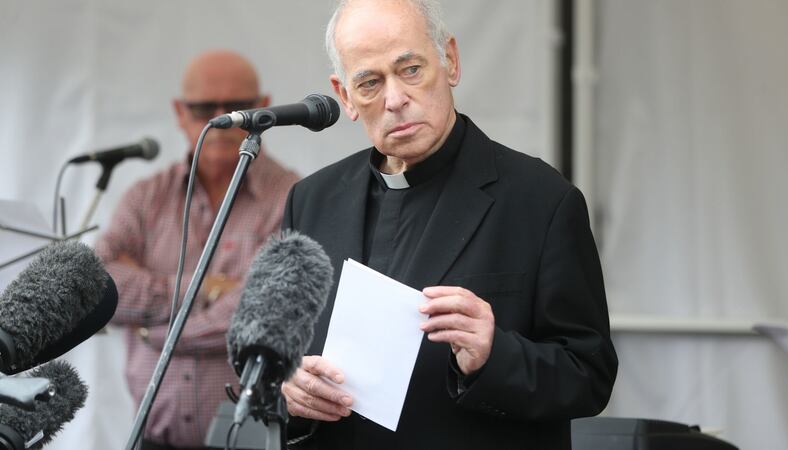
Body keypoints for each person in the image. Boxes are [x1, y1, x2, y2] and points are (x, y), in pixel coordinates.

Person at [279, 0, 618, 449]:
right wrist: (289, 386)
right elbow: (274, 355)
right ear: (345, 97)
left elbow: (589, 375)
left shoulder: (540, 200)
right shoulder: (312, 200)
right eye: (370, 83)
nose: (395, 99)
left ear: (450, 61)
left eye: (411, 70)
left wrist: (494, 354)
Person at [95, 50, 299, 450]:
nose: (223, 118)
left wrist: (150, 330)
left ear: (264, 108)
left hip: (250, 439)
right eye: (206, 107)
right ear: (180, 112)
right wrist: (204, 289)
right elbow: (96, 287)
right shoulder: (145, 197)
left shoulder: (293, 196)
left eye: (238, 107)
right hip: (153, 438)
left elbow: (257, 312)